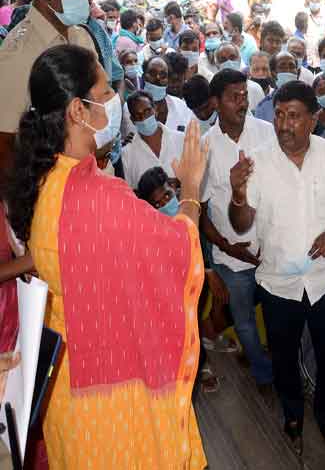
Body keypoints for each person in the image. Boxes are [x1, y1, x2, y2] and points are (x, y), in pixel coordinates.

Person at [6, 44, 207, 469]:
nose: (115, 100)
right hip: (112, 401)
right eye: (105, 91)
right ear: (79, 110)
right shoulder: (96, 195)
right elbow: (180, 250)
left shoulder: (49, 175)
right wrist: (190, 190)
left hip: (71, 383)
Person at [228, 80, 325, 456]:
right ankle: (292, 415)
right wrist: (237, 194)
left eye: (294, 116)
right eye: (280, 115)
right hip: (278, 284)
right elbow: (240, 224)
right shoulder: (257, 159)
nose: (284, 124)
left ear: (314, 120)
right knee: (283, 357)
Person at [199, 68, 276, 398]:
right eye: (234, 97)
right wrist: (231, 250)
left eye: (245, 95)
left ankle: (281, 365)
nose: (242, 102)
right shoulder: (204, 147)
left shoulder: (266, 133)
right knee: (243, 319)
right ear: (216, 102)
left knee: (276, 315)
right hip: (232, 259)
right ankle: (262, 372)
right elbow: (201, 215)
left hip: (271, 251)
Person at [0, 0, 98, 168]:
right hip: (52, 192)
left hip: (92, 176)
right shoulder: (17, 54)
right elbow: (4, 144)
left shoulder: (80, 36)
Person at [121, 89, 184, 189]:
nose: (143, 118)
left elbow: (195, 177)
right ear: (132, 120)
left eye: (147, 111)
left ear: (155, 109)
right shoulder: (127, 155)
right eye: (138, 115)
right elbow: (131, 193)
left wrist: (179, 182)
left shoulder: (181, 140)